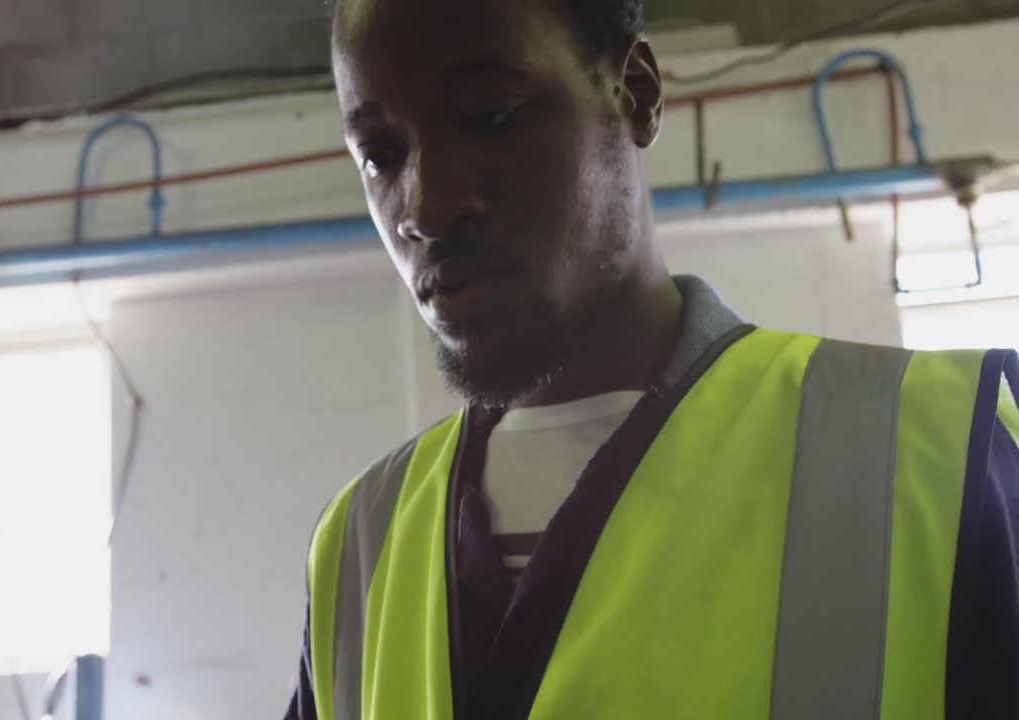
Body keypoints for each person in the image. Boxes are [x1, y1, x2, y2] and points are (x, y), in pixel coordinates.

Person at [286, 0, 1019, 717]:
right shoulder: (359, 543)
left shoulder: (953, 449)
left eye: (488, 115)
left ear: (636, 93)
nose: (424, 207)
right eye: (380, 155)